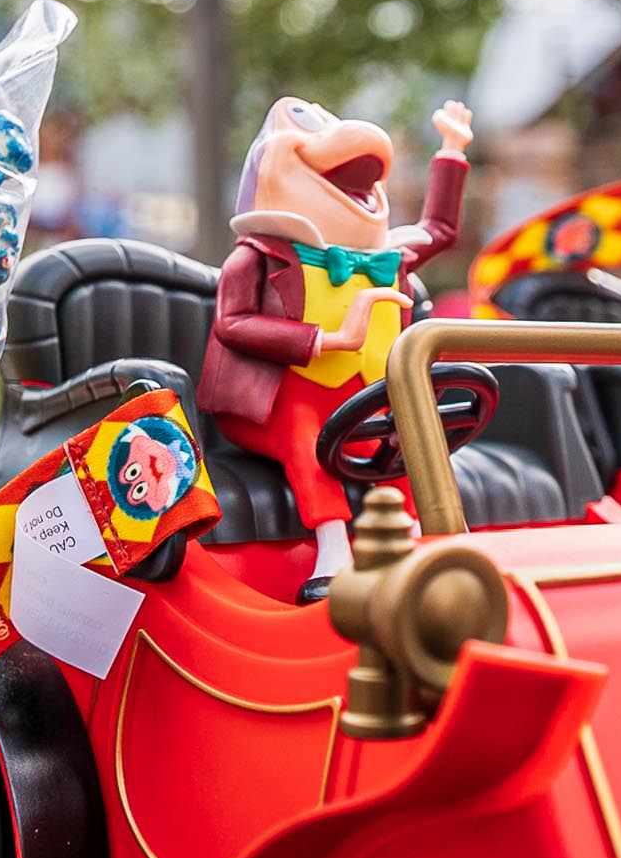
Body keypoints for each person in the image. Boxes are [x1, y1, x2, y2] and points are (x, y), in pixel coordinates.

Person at [197, 96, 474, 602]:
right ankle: (332, 550)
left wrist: (451, 150)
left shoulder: (387, 257)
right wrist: (326, 340)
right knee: (306, 431)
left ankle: (418, 537)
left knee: (406, 433)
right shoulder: (255, 258)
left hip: (359, 398)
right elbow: (232, 323)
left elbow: (440, 230)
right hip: (274, 403)